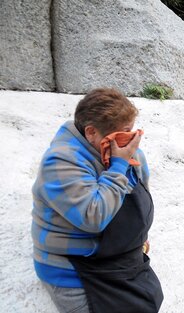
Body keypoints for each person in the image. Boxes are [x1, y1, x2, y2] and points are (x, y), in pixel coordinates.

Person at [31, 88, 164, 313]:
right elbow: (94, 217)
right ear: (91, 132)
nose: (132, 141)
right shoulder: (61, 160)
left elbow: (140, 198)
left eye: (132, 131)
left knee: (151, 300)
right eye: (123, 133)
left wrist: (140, 237)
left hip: (115, 259)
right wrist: (119, 166)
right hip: (75, 272)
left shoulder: (127, 153)